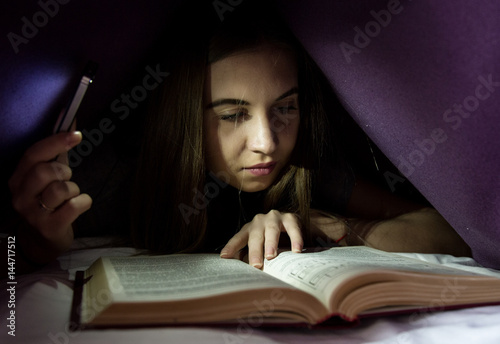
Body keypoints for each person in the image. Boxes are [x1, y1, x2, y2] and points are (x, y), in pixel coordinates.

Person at [6, 0, 471, 272]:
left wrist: (323, 222)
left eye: (285, 108)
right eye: (232, 115)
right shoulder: (111, 173)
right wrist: (35, 243)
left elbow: (453, 230)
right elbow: (16, 256)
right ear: (185, 115)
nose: (267, 142)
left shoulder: (303, 168)